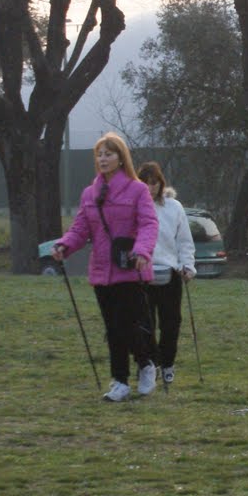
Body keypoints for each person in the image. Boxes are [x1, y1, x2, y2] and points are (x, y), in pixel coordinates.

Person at [52, 133, 160, 402]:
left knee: (130, 326)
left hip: (130, 268)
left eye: (108, 154)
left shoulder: (138, 190)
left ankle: (146, 364)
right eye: (99, 154)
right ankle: (120, 382)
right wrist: (65, 245)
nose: (102, 159)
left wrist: (142, 251)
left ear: (121, 158)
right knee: (113, 328)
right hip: (102, 272)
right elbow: (80, 228)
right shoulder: (90, 193)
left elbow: (149, 224)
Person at [138, 162, 196, 386]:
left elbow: (184, 240)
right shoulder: (134, 207)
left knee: (171, 323)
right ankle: (150, 364)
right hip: (142, 273)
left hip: (170, 273)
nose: (150, 188)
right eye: (146, 183)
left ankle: (168, 363)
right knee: (145, 324)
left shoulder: (174, 207)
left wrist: (187, 266)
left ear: (161, 184)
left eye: (154, 183)